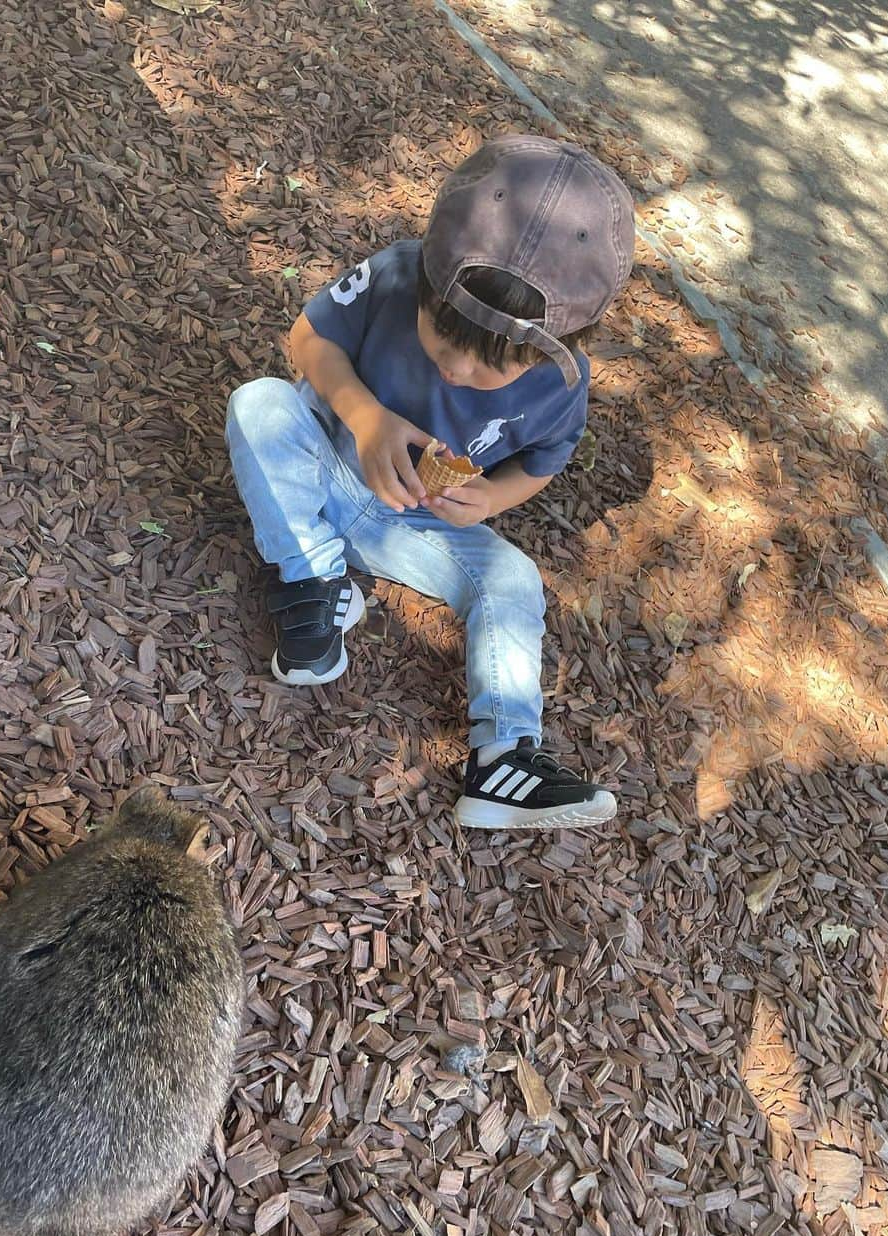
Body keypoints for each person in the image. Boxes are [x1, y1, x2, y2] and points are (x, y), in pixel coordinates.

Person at [225, 136, 634, 829]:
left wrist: (491, 501)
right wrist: (363, 416)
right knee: (259, 404)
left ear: (552, 353)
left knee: (512, 580)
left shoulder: (558, 385)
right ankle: (315, 586)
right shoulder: (394, 273)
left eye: (488, 368)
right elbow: (306, 338)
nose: (457, 371)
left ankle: (503, 756)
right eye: (442, 344)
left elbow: (544, 460)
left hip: (414, 522)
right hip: (321, 459)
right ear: (428, 282)